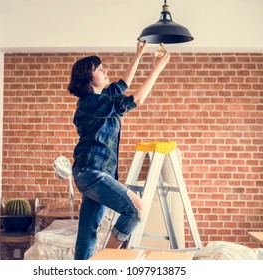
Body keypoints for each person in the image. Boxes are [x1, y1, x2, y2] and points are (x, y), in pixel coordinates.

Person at [68, 41, 170, 260]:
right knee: (135, 209)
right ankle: (107, 260)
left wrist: (139, 54)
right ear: (88, 77)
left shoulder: (101, 99)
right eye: (99, 68)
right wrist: (157, 69)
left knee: (87, 232)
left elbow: (123, 85)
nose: (106, 71)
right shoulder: (90, 103)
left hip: (93, 174)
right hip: (91, 173)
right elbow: (137, 99)